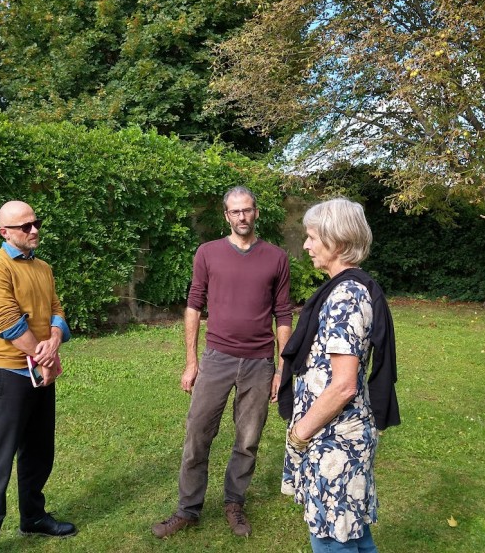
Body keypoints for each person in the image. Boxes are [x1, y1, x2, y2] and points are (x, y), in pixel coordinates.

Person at [152, 186, 293, 539]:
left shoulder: (276, 258)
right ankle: (188, 509)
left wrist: (281, 367)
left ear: (256, 212)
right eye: (235, 212)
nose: (241, 217)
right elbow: (194, 306)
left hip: (259, 362)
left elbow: (283, 314)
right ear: (226, 215)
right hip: (216, 357)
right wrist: (191, 361)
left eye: (247, 210)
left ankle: (234, 503)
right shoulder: (208, 253)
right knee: (197, 433)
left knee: (247, 439)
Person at [277, 198, 401, 553]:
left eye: (313, 236)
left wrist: (300, 433)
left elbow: (344, 384)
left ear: (338, 241)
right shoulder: (349, 289)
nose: (306, 244)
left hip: (335, 438)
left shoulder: (345, 296)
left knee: (331, 537)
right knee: (352, 534)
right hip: (342, 433)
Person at [0, 201, 76, 553]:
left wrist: (54, 341)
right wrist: (43, 356)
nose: (33, 230)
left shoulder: (43, 268)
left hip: (41, 372)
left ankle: (33, 517)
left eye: (36, 223)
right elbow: (8, 323)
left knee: (39, 452)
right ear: (4, 232)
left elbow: (56, 310)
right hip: (7, 375)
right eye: (24, 226)